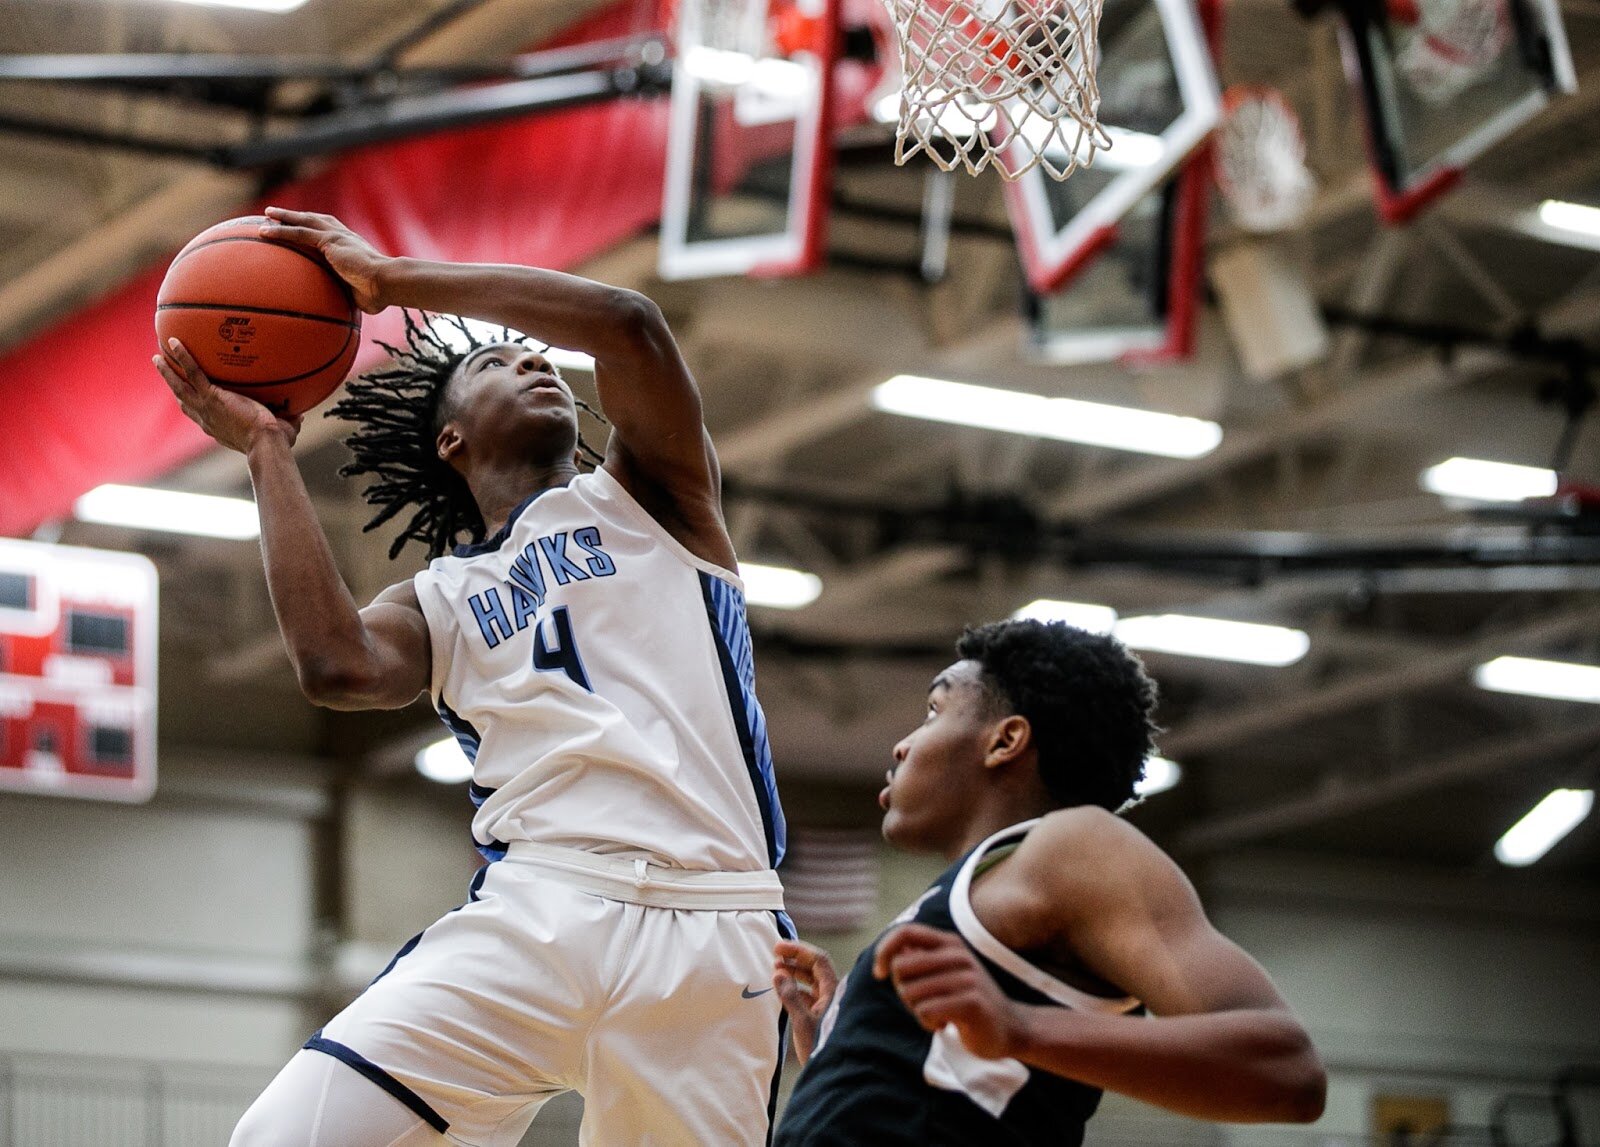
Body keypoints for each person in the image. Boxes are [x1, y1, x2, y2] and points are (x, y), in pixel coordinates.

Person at [156, 207, 790, 1147]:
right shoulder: (440, 598)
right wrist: (266, 452)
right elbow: (336, 664)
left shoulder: (654, 496)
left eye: (540, 359)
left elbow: (629, 323)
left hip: (717, 923)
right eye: (496, 365)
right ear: (452, 440)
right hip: (540, 906)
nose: (536, 363)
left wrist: (392, 279)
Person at [770, 619, 1326, 1145]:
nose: (903, 745)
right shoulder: (974, 888)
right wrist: (843, 1047)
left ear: (1005, 741)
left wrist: (1018, 1027)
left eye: (935, 711)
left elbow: (1286, 1068)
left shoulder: (1074, 844)